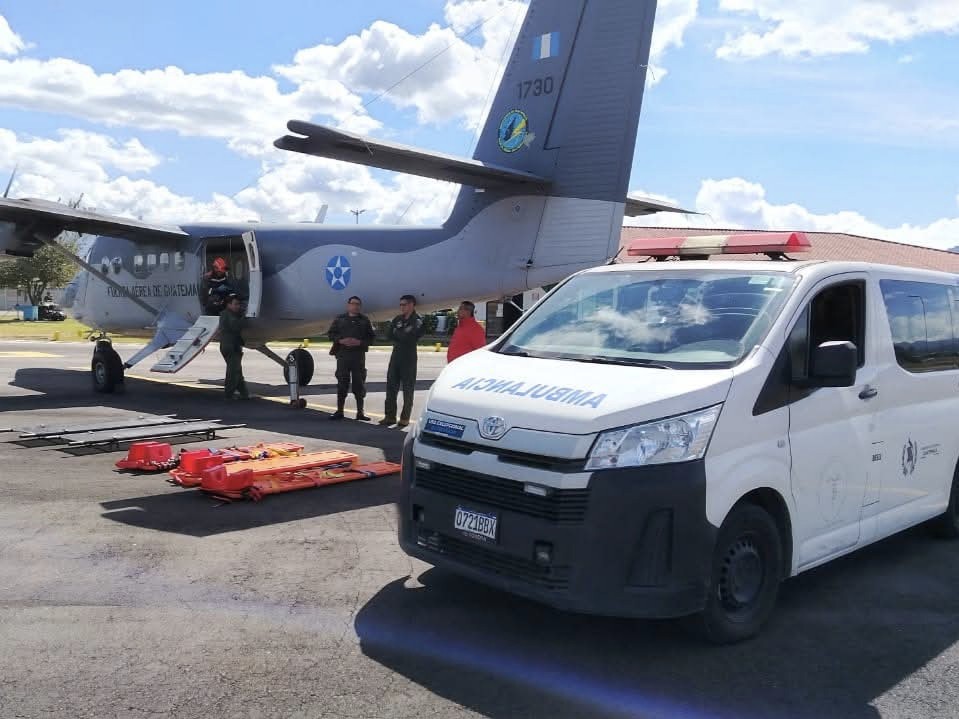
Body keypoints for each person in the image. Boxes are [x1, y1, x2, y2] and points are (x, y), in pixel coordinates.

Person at [327, 295, 376, 420]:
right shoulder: (340, 319)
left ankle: (360, 412)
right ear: (348, 305)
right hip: (343, 356)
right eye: (353, 303)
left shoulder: (364, 320)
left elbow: (371, 338)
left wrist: (359, 342)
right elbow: (331, 334)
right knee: (342, 383)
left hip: (358, 357)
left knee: (359, 384)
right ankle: (339, 411)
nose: (355, 306)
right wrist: (341, 340)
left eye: (358, 304)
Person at [380, 294, 426, 427]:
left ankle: (405, 418)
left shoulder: (418, 320)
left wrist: (399, 333)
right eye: (400, 305)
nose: (401, 307)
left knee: (408, 389)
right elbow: (389, 335)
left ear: (412, 305)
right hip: (396, 356)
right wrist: (401, 333)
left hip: (409, 358)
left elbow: (410, 337)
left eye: (404, 304)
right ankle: (390, 416)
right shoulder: (397, 319)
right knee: (391, 387)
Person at [218, 293, 249, 400]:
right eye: (235, 304)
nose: (237, 306)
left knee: (237, 371)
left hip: (232, 345)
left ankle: (244, 394)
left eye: (238, 304)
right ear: (228, 305)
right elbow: (236, 326)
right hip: (230, 346)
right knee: (233, 372)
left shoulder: (229, 314)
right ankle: (229, 394)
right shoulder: (227, 315)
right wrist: (244, 316)